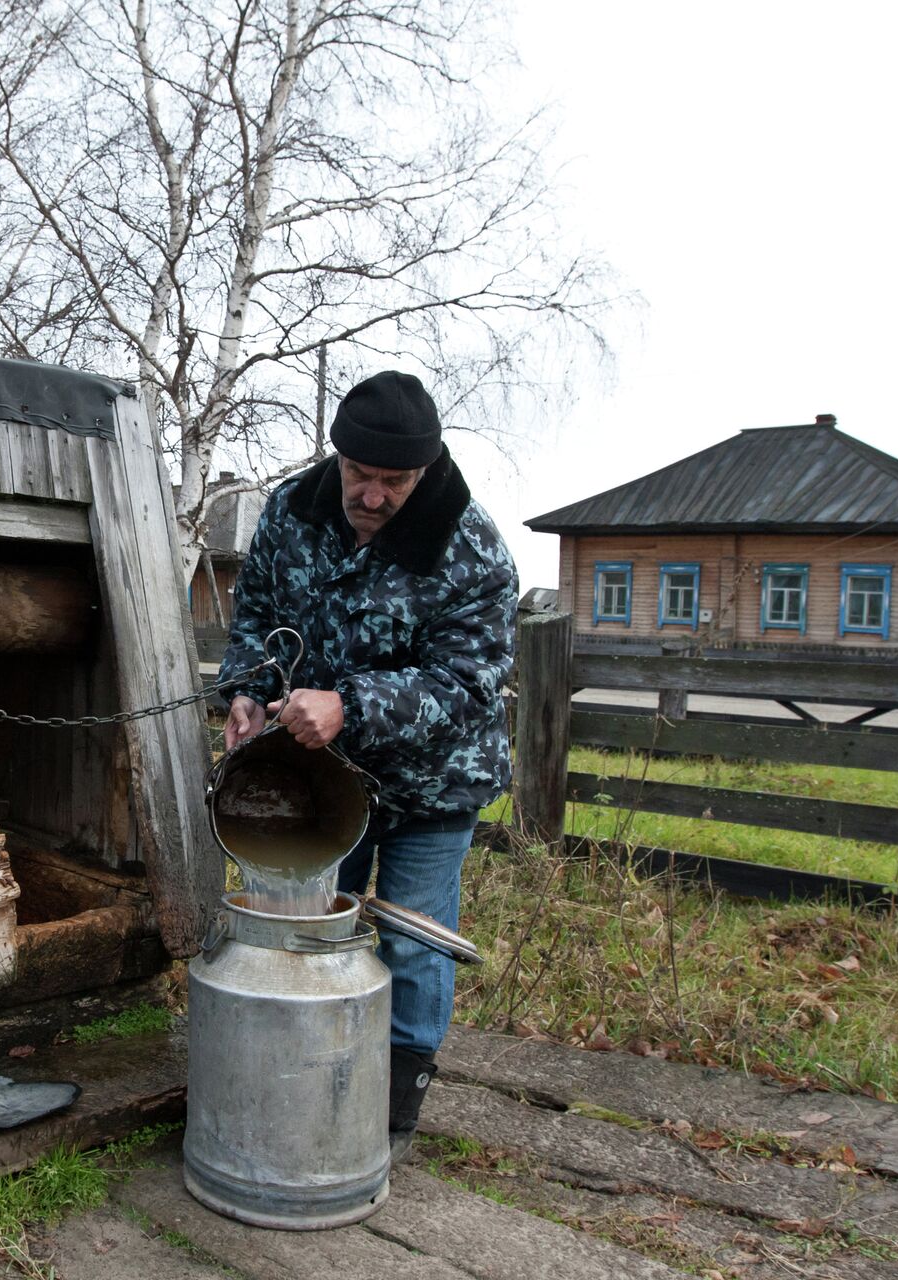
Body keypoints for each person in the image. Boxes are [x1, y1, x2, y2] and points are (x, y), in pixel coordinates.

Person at [217, 369, 517, 1162]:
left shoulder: (474, 549)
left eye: (395, 482)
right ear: (336, 456)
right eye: (360, 475)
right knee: (314, 930)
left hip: (433, 784)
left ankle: (389, 1111)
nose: (374, 496)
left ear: (425, 472)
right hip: (320, 782)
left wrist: (351, 704)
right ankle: (305, 1072)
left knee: (415, 943)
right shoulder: (291, 509)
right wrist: (246, 696)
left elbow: (466, 687)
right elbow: (255, 614)